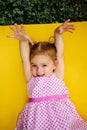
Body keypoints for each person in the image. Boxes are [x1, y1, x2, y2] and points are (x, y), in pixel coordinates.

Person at [8, 19, 87, 130]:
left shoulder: (57, 75)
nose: (39, 71)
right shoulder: (31, 78)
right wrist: (23, 41)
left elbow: (60, 54)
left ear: (54, 65)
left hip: (60, 118)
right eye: (34, 65)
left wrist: (57, 34)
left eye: (44, 65)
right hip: (36, 121)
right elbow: (25, 59)